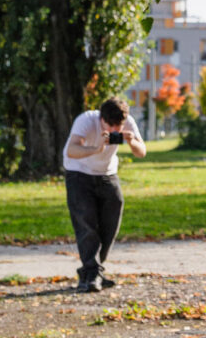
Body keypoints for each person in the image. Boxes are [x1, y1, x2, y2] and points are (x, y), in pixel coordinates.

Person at [62, 97, 146, 293]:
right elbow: (71, 150)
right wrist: (96, 148)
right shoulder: (86, 120)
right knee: (86, 223)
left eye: (120, 125)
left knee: (111, 222)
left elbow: (142, 152)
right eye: (111, 125)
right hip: (79, 173)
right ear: (102, 119)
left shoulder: (128, 123)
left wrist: (132, 141)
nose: (116, 129)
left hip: (107, 175)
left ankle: (94, 271)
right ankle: (91, 274)